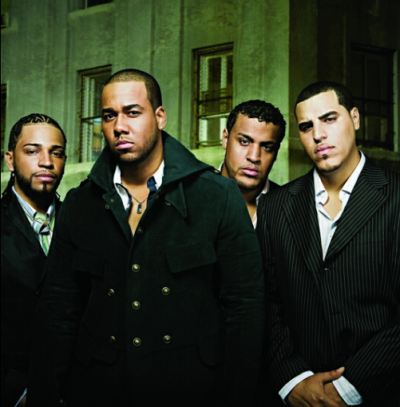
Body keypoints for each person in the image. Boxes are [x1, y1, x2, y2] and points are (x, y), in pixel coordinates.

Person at [27, 69, 265, 407]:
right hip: (98, 391)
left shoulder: (217, 195)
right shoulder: (79, 204)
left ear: (160, 116)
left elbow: (245, 307)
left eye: (132, 112)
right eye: (109, 116)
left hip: (191, 390)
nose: (119, 126)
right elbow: (58, 310)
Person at [257, 81, 400, 407]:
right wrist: (292, 381)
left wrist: (349, 387)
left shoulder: (395, 196)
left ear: (355, 118)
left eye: (329, 119)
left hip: (382, 392)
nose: (318, 135)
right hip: (300, 393)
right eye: (306, 126)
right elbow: (267, 302)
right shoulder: (275, 206)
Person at [1, 114, 67, 407]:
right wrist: (16, 393)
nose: (46, 162)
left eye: (56, 152)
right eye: (32, 151)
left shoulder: (84, 224)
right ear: (10, 160)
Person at [220, 100, 286, 227]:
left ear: (276, 153)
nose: (254, 157)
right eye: (244, 142)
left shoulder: (292, 208)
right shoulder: (191, 196)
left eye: (266, 147)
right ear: (226, 139)